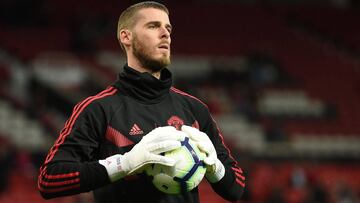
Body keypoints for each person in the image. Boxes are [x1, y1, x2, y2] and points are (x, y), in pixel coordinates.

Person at [37, 2, 245, 203]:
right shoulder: (97, 109)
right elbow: (49, 179)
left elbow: (236, 188)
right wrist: (125, 164)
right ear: (126, 36)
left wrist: (215, 166)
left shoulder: (195, 109)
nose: (165, 34)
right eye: (153, 26)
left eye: (168, 28)